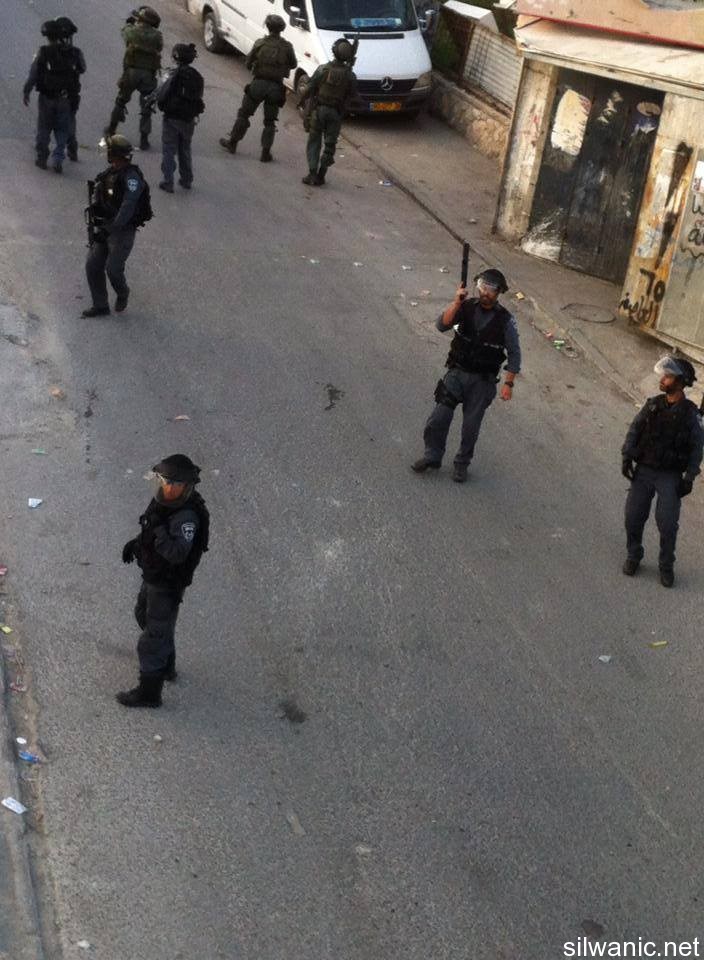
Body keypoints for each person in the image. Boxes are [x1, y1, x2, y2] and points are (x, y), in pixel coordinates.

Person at [411, 268, 521, 483]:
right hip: (457, 373)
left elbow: (515, 353)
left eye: (491, 289)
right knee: (438, 417)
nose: (485, 292)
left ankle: (462, 464)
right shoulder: (465, 306)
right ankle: (432, 456)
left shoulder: (505, 321)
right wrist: (456, 302)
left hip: (482, 381)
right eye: (482, 286)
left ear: (499, 292)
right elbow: (442, 325)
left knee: (471, 427)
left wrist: (509, 384)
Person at [119, 455, 210, 708]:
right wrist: (137, 544)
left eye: (174, 485)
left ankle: (149, 693)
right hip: (154, 576)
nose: (168, 488)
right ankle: (166, 665)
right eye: (164, 482)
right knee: (144, 615)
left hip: (167, 583)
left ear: (186, 487)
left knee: (154, 637)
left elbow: (177, 553)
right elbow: (151, 526)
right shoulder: (165, 502)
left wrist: (158, 531)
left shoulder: (187, 517)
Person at [621, 356, 704, 588]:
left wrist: (689, 477)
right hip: (645, 470)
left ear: (680, 382)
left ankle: (666, 565)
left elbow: (697, 448)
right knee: (633, 517)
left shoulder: (691, 415)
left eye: (668, 377)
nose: (662, 379)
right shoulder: (653, 405)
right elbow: (635, 429)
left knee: (667, 524)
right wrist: (627, 455)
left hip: (670, 475)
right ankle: (634, 554)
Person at [83, 135, 152, 318]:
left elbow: (128, 207)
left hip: (122, 231)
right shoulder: (111, 172)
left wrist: (109, 229)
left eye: (109, 151)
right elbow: (103, 193)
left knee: (113, 269)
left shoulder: (132, 178)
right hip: (106, 225)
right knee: (93, 265)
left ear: (115, 154)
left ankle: (123, 292)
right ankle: (100, 305)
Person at [219, 14, 296, 162]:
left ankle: (233, 143)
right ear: (281, 29)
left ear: (268, 27)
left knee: (244, 114)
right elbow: (293, 64)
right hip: (275, 87)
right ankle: (265, 153)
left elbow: (248, 63)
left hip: (258, 84)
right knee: (270, 121)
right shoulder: (287, 47)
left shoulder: (260, 43)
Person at [23, 18, 85, 173]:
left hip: (46, 98)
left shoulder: (44, 52)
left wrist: (27, 90)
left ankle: (42, 157)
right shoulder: (75, 53)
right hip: (66, 98)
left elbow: (34, 74)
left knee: (44, 127)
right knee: (63, 129)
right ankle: (58, 158)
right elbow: (82, 68)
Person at [299, 38, 358, 186]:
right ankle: (321, 175)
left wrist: (301, 101)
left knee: (314, 141)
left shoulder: (323, 69)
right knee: (330, 145)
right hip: (335, 113)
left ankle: (312, 173)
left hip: (319, 111)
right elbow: (353, 95)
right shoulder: (350, 75)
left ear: (334, 51)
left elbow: (309, 88)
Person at [105, 6, 163, 151]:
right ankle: (144, 139)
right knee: (147, 106)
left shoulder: (133, 31)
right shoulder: (157, 35)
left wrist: (129, 23)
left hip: (131, 72)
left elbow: (124, 32)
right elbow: (159, 47)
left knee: (121, 101)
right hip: (148, 75)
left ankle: (111, 129)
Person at [155, 43, 205, 193]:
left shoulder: (173, 74)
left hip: (172, 117)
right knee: (185, 148)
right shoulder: (197, 76)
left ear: (176, 57)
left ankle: (168, 181)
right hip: (189, 119)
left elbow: (162, 93)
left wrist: (160, 104)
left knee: (169, 149)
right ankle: (186, 179)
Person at [53, 17, 85, 162]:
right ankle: (71, 148)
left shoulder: (48, 52)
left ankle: (43, 149)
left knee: (46, 123)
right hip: (69, 95)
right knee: (69, 123)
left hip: (53, 95)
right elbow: (82, 68)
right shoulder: (76, 53)